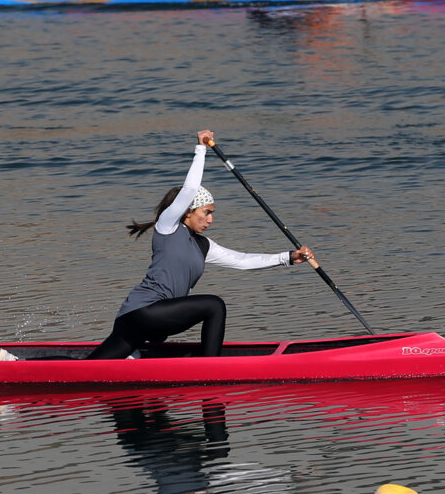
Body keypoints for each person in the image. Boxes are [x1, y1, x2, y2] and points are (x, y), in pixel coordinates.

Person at [88, 130, 314, 360]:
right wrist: (201, 149)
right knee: (213, 306)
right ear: (187, 212)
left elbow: (242, 260)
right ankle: (211, 367)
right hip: (141, 312)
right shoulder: (168, 226)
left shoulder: (203, 246)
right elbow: (189, 190)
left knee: (89, 367)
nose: (210, 220)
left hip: (144, 321)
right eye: (206, 212)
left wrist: (287, 257)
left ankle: (122, 359)